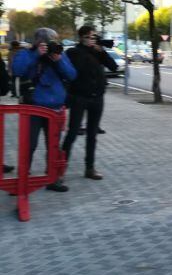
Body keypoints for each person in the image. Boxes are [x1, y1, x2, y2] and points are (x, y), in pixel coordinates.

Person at [13, 28, 77, 192]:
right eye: (46, 42)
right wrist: (37, 55)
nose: (49, 45)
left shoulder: (59, 55)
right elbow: (17, 70)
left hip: (54, 107)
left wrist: (59, 60)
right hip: (32, 107)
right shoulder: (27, 53)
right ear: (37, 42)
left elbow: (72, 75)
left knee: (53, 145)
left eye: (52, 41)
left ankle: (53, 178)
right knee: (29, 144)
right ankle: (23, 179)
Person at [61, 25, 116, 180]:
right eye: (89, 37)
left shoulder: (98, 52)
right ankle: (60, 169)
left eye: (94, 37)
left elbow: (113, 66)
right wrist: (88, 52)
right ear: (82, 37)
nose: (92, 40)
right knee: (72, 133)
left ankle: (89, 168)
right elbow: (72, 72)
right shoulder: (73, 52)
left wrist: (102, 52)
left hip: (97, 98)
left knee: (92, 135)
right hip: (79, 98)